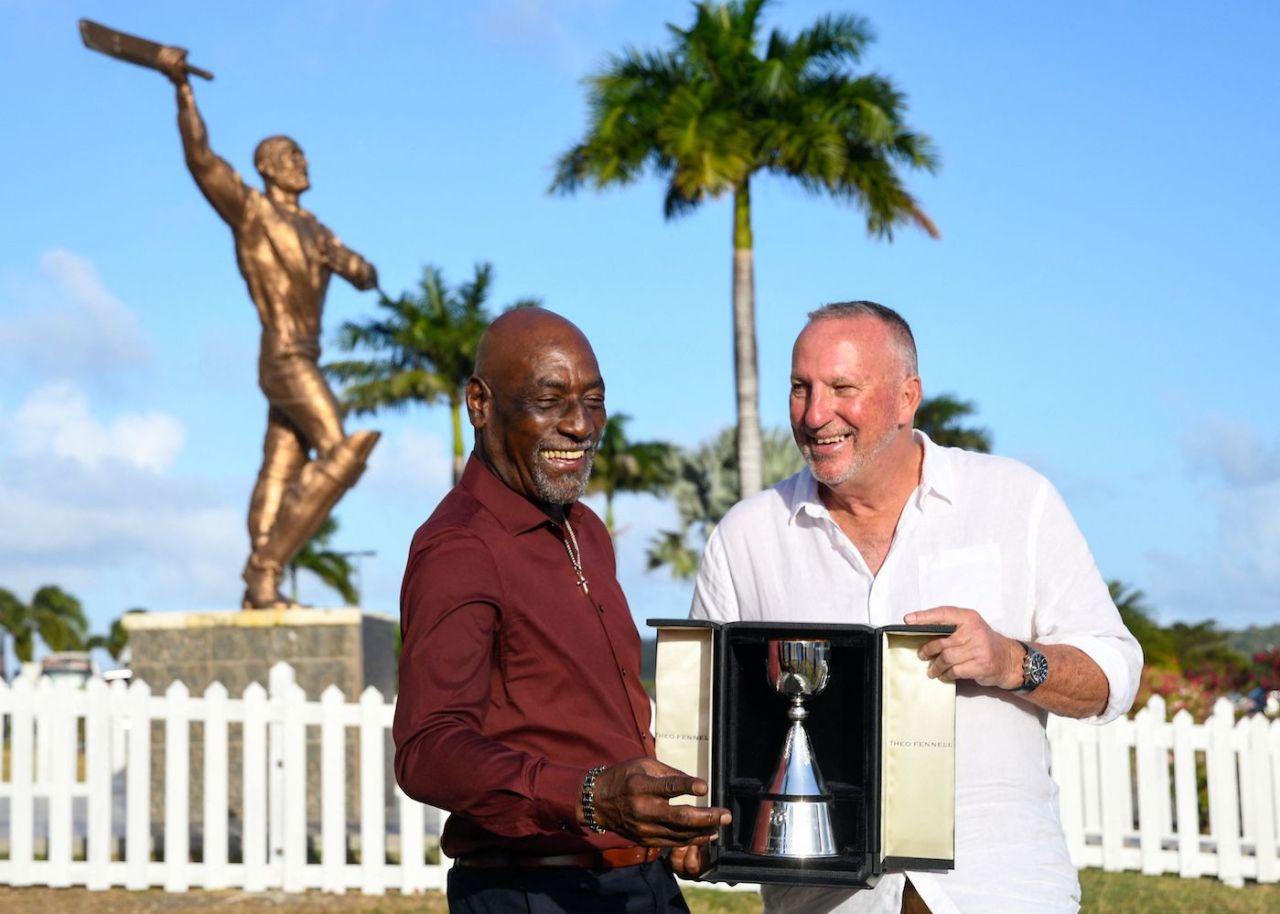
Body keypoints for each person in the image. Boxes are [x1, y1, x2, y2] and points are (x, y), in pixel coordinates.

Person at [677, 301, 1142, 914]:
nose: (817, 415)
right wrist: (695, 828)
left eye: (844, 388)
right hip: (823, 900)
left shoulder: (1015, 500)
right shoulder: (745, 537)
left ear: (906, 397)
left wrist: (1011, 660)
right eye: (801, 388)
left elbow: (1115, 677)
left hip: (1002, 891)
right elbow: (702, 732)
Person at [393, 308, 731, 913]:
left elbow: (598, 725)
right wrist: (591, 796)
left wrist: (665, 818)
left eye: (593, 401)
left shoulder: (587, 531)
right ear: (480, 403)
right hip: (533, 888)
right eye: (550, 401)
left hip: (639, 884)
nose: (580, 425)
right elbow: (428, 747)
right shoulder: (460, 545)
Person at [157, 47, 381, 608]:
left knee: (280, 469)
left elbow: (361, 271)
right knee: (341, 451)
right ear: (266, 166)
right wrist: (183, 89)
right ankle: (266, 566)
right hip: (283, 355)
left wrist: (357, 268)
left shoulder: (315, 228)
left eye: (302, 152)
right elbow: (202, 160)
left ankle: (263, 587)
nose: (302, 161)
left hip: (306, 352)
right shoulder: (253, 212)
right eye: (290, 154)